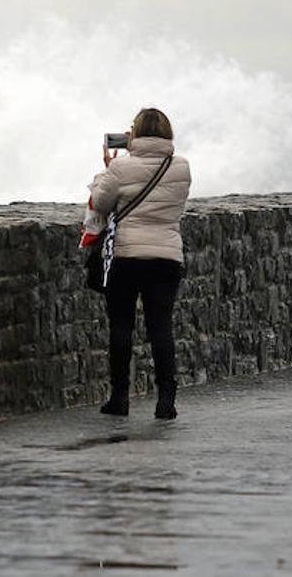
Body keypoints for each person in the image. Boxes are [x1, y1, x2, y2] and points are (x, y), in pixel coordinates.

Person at [81, 107, 191, 419]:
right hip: (166, 257)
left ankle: (119, 398)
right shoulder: (181, 167)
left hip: (125, 257)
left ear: (135, 135)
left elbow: (101, 204)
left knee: (121, 327)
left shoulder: (120, 169)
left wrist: (107, 170)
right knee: (161, 328)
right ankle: (166, 400)